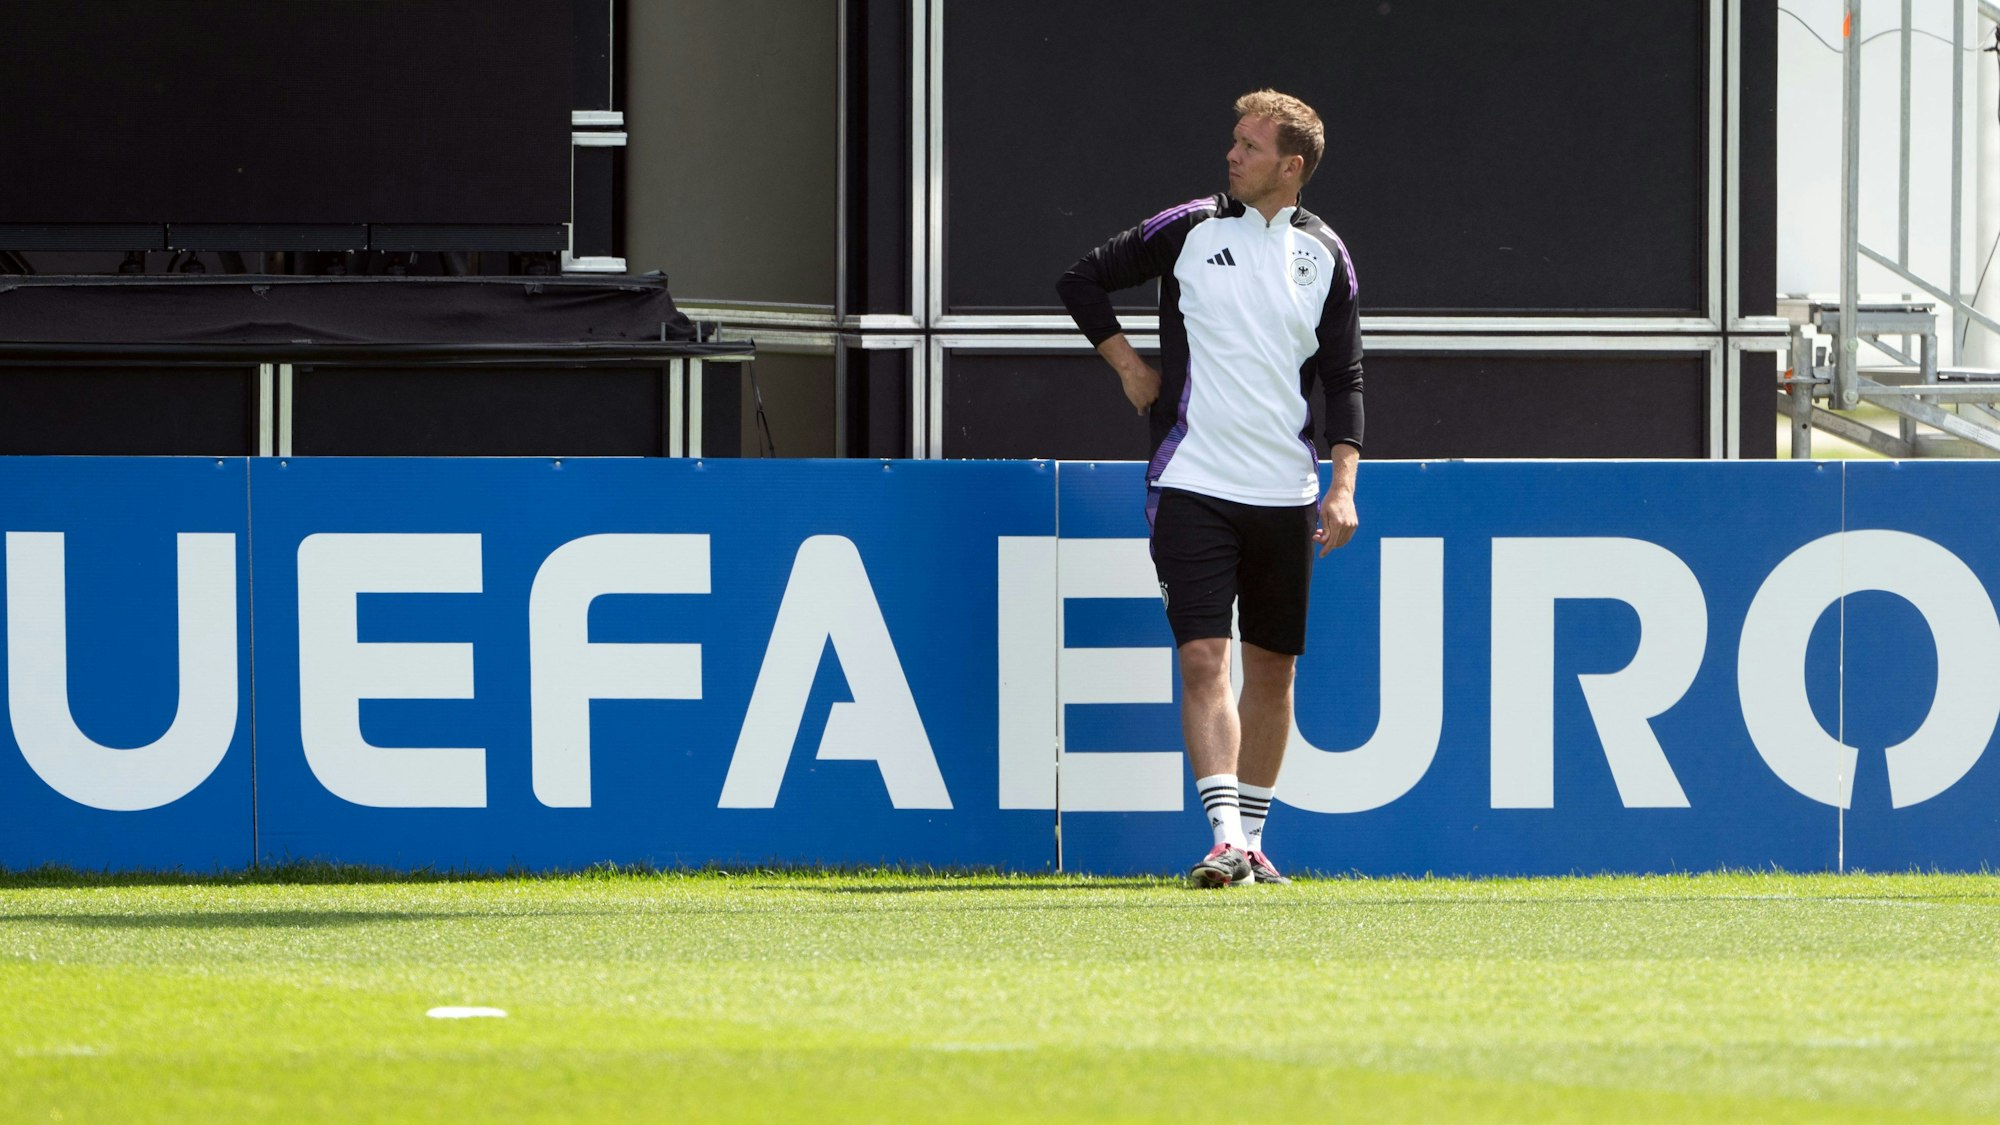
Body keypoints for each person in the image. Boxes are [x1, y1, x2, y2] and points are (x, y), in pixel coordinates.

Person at [1056, 89, 1363, 888]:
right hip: (1191, 481)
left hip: (1288, 492)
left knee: (1274, 671)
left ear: (1290, 167)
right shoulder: (1190, 226)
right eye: (1234, 141)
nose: (1233, 155)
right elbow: (1082, 279)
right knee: (1203, 657)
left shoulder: (1326, 253)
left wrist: (1342, 486)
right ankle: (1223, 834)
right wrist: (1130, 368)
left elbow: (1345, 378)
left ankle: (1253, 843)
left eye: (1250, 146)